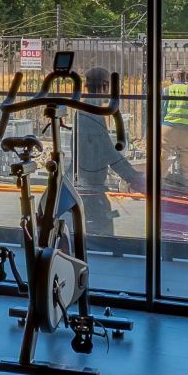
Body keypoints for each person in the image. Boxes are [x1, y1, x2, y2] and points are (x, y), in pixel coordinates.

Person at [70, 68, 146, 247]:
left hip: (88, 182)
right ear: (104, 86)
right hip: (89, 185)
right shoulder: (90, 113)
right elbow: (107, 151)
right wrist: (132, 177)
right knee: (102, 234)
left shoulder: (88, 111)